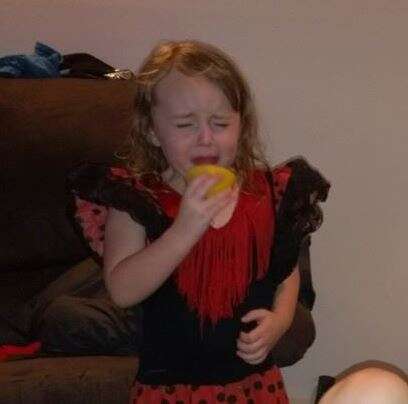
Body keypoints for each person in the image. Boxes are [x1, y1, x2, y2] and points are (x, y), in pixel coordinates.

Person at [68, 40, 329, 403]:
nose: (205, 138)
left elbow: (286, 273)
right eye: (185, 124)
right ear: (151, 130)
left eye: (220, 123)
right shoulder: (138, 200)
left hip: (254, 386)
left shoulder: (267, 195)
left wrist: (280, 320)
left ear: (241, 125)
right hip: (169, 390)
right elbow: (122, 290)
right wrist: (185, 229)